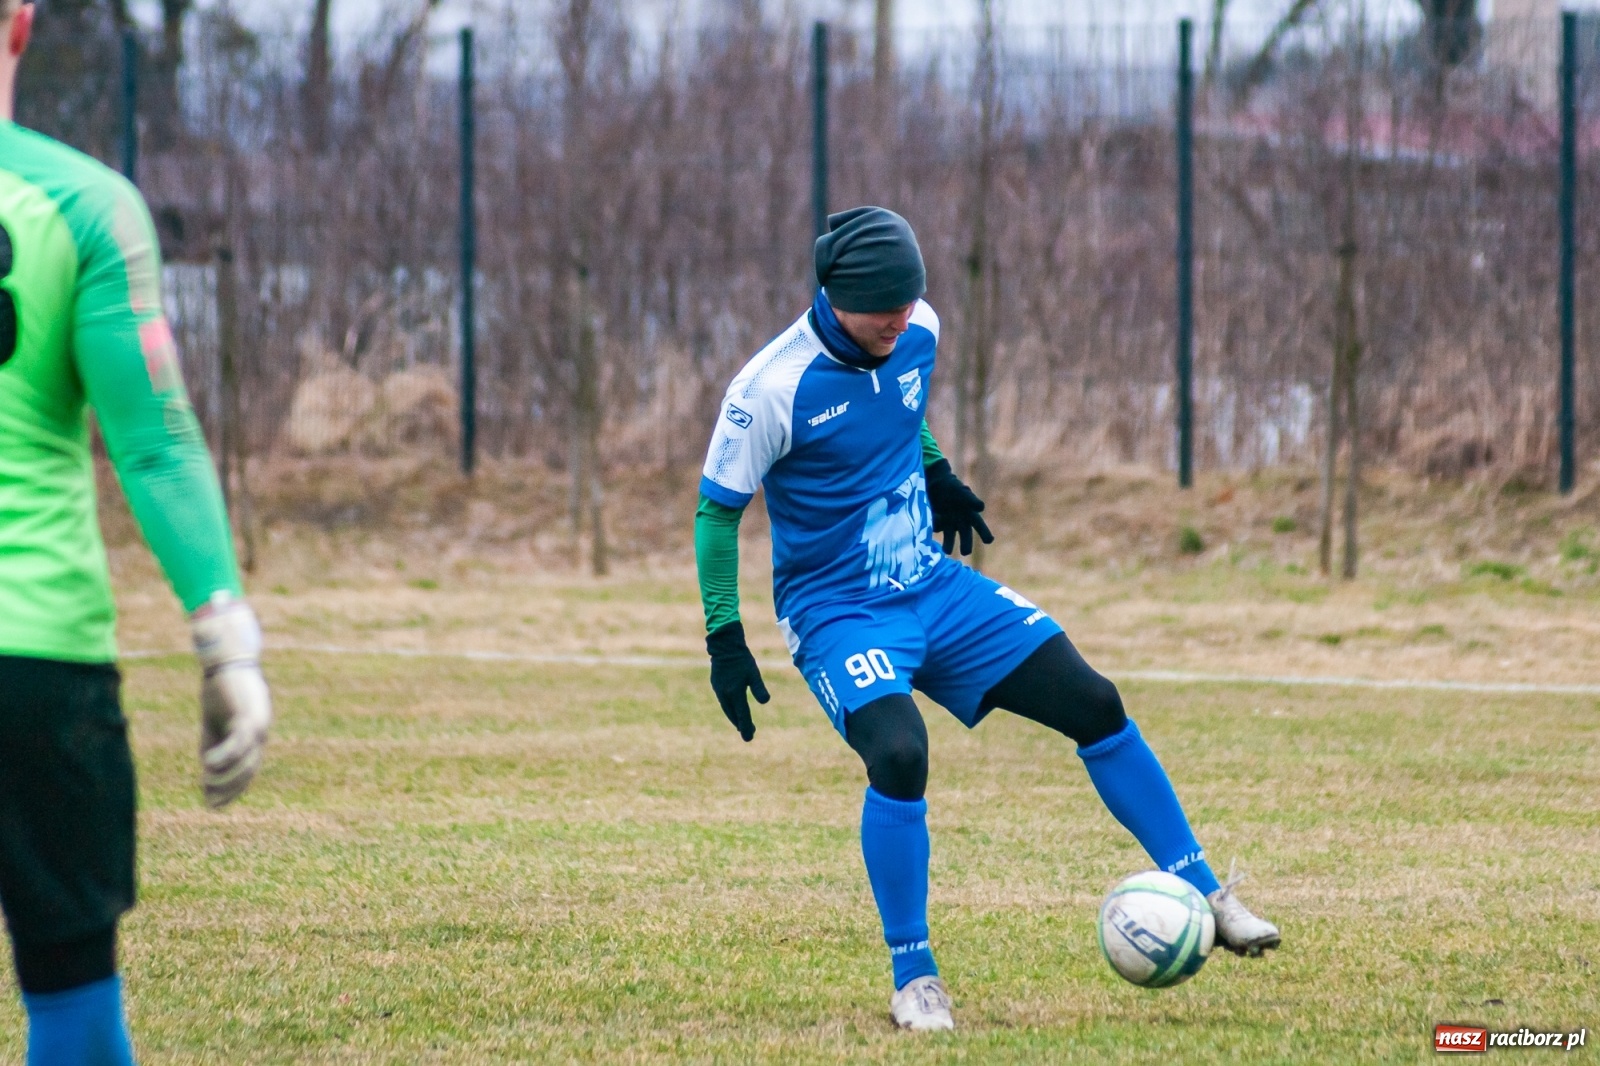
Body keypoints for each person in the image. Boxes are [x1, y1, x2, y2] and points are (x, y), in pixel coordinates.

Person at [695, 206, 1278, 1032]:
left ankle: (1209, 894)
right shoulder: (767, 391)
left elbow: (900, 410)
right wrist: (725, 634)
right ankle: (915, 978)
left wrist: (940, 473)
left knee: (1095, 701)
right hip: (839, 611)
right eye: (882, 308)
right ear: (832, 296)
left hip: (933, 584)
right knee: (899, 753)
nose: (901, 318)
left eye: (909, 300)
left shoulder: (916, 330)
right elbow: (716, 515)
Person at [0, 4, 273, 1062]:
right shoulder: (85, 204)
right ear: (23, 24)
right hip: (39, 664)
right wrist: (226, 639)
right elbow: (154, 444)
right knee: (70, 997)